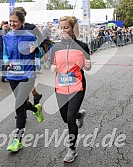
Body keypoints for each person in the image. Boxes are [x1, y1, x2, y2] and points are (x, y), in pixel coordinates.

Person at [50, 16, 91, 163]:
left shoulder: (83, 46)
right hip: (60, 85)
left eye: (66, 27)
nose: (63, 30)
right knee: (65, 117)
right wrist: (52, 67)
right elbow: (52, 64)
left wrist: (87, 65)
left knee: (69, 118)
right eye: (61, 27)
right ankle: (79, 116)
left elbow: (87, 65)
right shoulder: (56, 47)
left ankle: (72, 149)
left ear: (73, 29)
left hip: (77, 85)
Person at [3, 10, 43, 152]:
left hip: (27, 74)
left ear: (22, 22)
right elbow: (6, 54)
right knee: (23, 104)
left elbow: (39, 53)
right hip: (13, 74)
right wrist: (7, 62)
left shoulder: (30, 36)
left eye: (15, 21)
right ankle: (36, 109)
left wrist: (35, 50)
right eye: (10, 21)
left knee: (19, 105)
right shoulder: (6, 36)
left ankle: (17, 140)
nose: (12, 23)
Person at [13, 7, 42, 105]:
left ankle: (23, 108)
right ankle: (34, 96)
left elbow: (40, 37)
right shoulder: (13, 28)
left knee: (26, 81)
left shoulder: (31, 27)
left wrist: (34, 46)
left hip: (29, 59)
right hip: (16, 60)